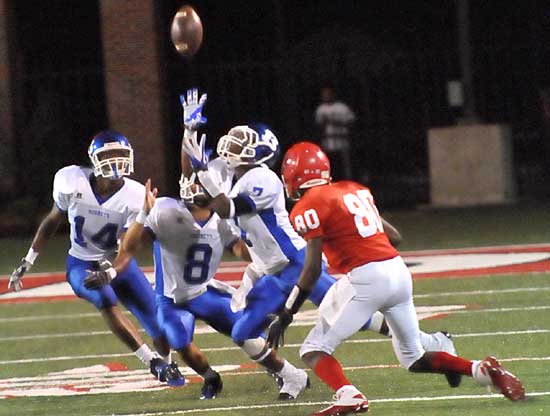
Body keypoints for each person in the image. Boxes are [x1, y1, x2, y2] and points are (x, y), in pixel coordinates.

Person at [180, 89, 461, 390]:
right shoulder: (227, 170)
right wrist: (189, 130)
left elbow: (224, 205)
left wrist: (202, 174)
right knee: (241, 332)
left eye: (245, 142)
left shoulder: (263, 179)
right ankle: (292, 376)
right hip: (270, 273)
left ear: (262, 153)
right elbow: (189, 175)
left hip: (295, 263)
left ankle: (431, 341)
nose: (234, 145)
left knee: (358, 316)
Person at [267, 141, 525, 415]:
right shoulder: (354, 189)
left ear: (293, 177)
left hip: (367, 278)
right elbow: (395, 237)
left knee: (313, 348)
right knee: (413, 356)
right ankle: (482, 370)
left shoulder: (307, 206)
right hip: (398, 272)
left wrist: (287, 313)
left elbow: (312, 269)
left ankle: (348, 395)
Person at [8, 130, 184, 387]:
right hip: (81, 262)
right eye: (108, 155)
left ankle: (167, 363)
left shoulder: (136, 195)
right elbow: (51, 221)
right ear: (94, 159)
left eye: (120, 155)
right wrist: (29, 259)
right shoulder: (72, 180)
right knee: (105, 298)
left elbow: (127, 248)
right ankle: (151, 362)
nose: (115, 162)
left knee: (158, 321)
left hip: (117, 263)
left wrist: (110, 270)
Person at [315, 85, 355, 180]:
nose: (326, 96)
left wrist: (335, 121)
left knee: (345, 168)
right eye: (324, 94)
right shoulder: (321, 109)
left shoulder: (342, 107)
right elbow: (318, 126)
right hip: (328, 144)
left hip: (342, 143)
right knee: (331, 167)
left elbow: (351, 121)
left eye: (328, 94)